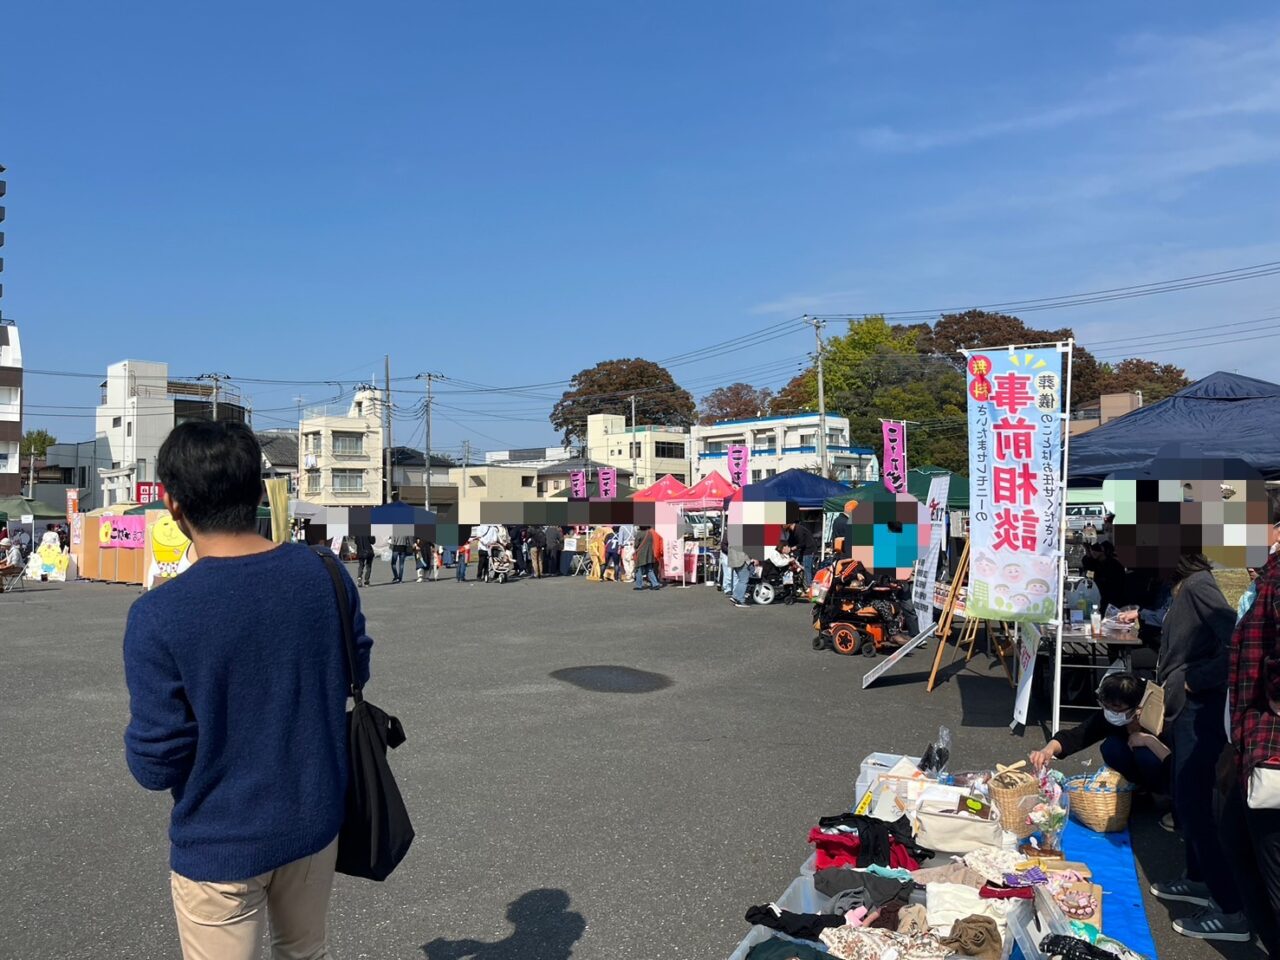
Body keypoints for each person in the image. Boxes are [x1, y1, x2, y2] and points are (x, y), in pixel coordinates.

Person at [123, 421, 372, 960]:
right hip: (314, 819)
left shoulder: (159, 616)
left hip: (220, 841)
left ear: (171, 502)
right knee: (306, 952)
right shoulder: (326, 575)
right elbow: (356, 671)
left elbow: (155, 764)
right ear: (260, 491)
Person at [1136, 553, 1247, 940]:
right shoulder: (1185, 586)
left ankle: (1230, 908)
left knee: (1196, 804)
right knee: (1189, 801)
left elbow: (1235, 641)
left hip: (1202, 709)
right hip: (1188, 708)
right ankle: (1199, 879)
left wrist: (1194, 681)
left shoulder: (1200, 584)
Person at [1220, 491, 1280, 955]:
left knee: (1271, 868)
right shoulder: (1262, 580)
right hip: (1249, 741)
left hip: (1270, 747)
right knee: (1242, 851)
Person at [1030, 673, 1169, 792]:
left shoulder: (1162, 720)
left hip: (1168, 773)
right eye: (1105, 706)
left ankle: (1163, 795)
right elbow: (1076, 737)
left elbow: (1174, 761)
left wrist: (1149, 741)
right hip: (1138, 771)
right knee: (1111, 747)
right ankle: (1139, 788)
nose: (1110, 712)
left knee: (1145, 755)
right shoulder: (1107, 717)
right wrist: (1048, 750)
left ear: (1138, 706)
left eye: (1116, 707)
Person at [1081, 540, 1126, 614]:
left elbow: (1117, 587)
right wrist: (1087, 549)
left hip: (1112, 600)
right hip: (1100, 597)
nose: (1093, 552)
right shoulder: (1097, 563)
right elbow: (1087, 563)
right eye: (1092, 550)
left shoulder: (1114, 565)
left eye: (1098, 550)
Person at [634, 526, 663, 591]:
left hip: (641, 554)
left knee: (639, 570)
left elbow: (636, 545)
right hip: (650, 554)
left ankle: (639, 585)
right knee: (649, 570)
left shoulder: (639, 534)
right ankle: (655, 584)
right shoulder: (649, 533)